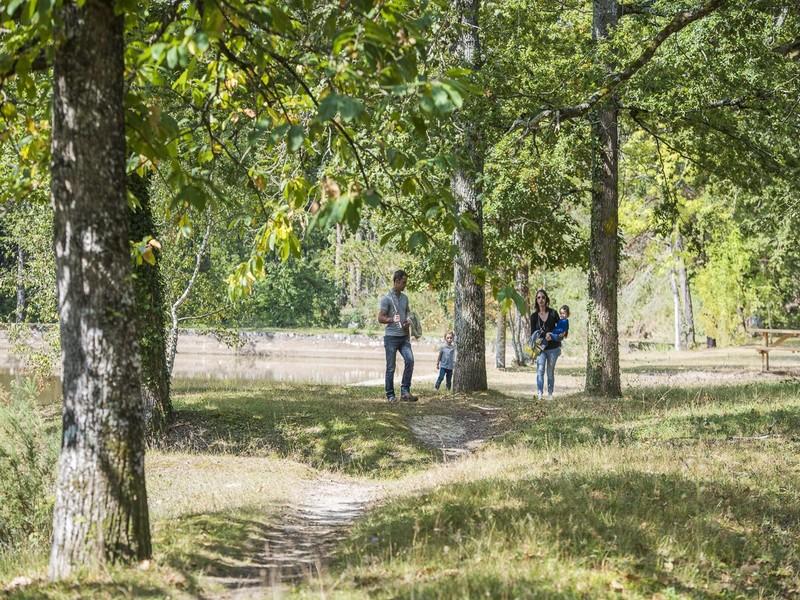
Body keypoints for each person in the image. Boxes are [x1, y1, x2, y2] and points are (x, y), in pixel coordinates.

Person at [378, 270, 418, 402]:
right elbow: (380, 318)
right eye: (403, 282)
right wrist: (391, 320)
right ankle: (390, 395)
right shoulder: (386, 299)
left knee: (410, 360)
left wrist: (408, 322)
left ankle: (405, 392)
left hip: (404, 337)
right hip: (391, 338)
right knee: (391, 367)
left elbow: (407, 314)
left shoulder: (405, 298)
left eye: (405, 282)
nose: (405, 285)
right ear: (396, 281)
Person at [530, 289, 562, 401]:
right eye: (538, 297)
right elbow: (532, 334)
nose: (541, 299)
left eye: (543, 297)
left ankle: (550, 394)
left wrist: (552, 335)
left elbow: (561, 329)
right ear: (536, 300)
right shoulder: (534, 316)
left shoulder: (553, 313)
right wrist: (543, 336)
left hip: (553, 348)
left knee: (550, 371)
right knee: (540, 370)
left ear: (546, 299)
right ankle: (539, 393)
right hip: (541, 348)